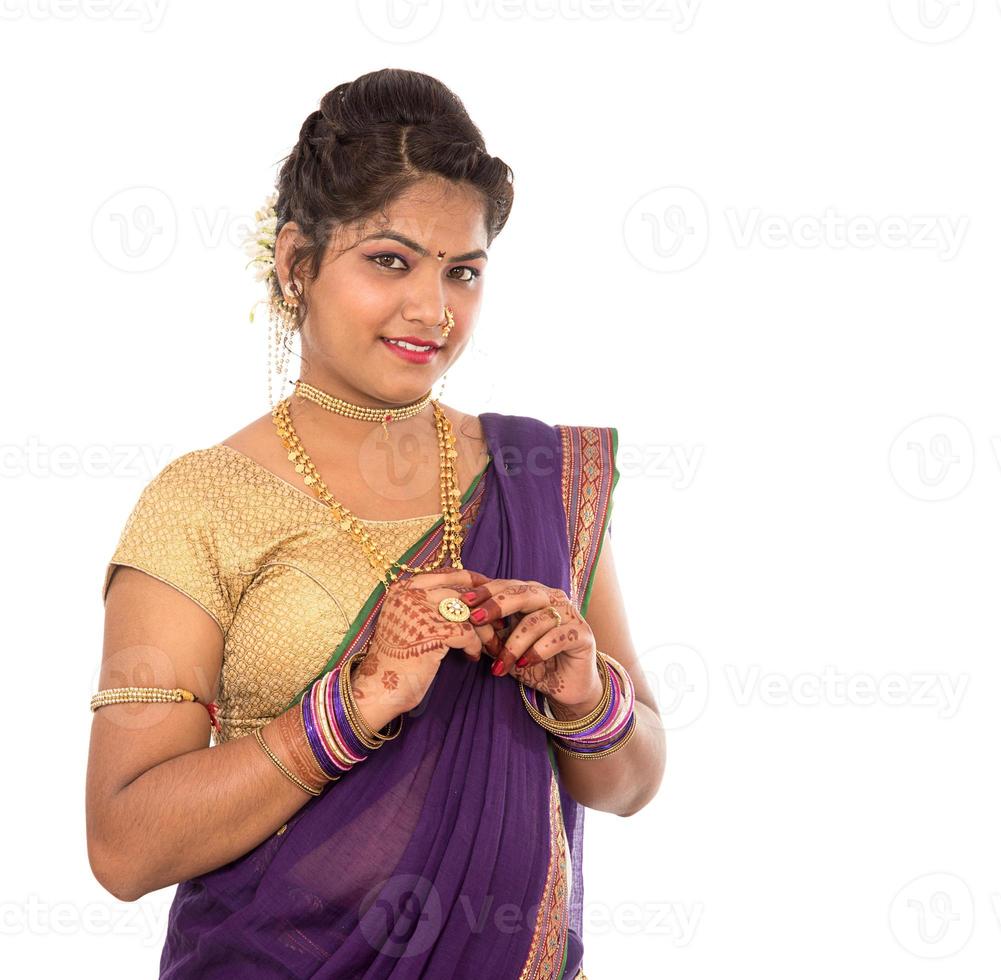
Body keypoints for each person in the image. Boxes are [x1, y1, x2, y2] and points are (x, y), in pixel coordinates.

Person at [85, 68, 666, 979]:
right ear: (294, 263)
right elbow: (124, 847)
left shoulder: (535, 477)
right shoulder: (201, 501)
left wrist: (585, 697)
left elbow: (631, 781)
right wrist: (354, 706)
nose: (432, 310)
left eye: (462, 272)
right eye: (389, 260)